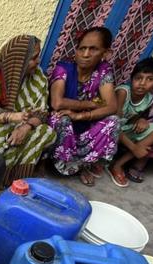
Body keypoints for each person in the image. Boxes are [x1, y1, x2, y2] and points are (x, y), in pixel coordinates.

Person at [0, 35, 56, 186]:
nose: (38, 62)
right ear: (19, 60)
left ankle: (15, 179)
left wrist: (25, 127)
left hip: (24, 122)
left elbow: (42, 113)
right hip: (0, 120)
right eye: (33, 58)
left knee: (45, 131)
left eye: (38, 56)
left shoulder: (39, 78)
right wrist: (12, 117)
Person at [48, 27, 120, 186]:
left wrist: (81, 115)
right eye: (82, 48)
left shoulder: (103, 71)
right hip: (64, 121)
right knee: (60, 118)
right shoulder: (64, 69)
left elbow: (111, 106)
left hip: (85, 122)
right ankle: (62, 164)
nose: (86, 54)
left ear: (105, 53)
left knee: (113, 121)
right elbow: (57, 103)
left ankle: (82, 165)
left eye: (93, 49)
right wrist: (89, 104)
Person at [108, 58, 153, 186]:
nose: (142, 83)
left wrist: (142, 119)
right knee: (113, 122)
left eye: (150, 79)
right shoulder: (123, 92)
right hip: (109, 129)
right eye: (138, 78)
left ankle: (117, 165)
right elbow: (113, 123)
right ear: (132, 78)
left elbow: (134, 117)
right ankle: (108, 161)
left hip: (125, 130)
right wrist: (134, 147)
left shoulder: (150, 98)